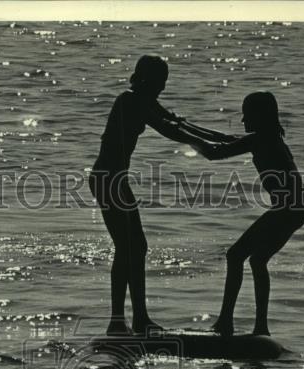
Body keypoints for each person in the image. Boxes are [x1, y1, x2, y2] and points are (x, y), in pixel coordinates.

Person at [91, 55, 223, 336]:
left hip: (116, 179)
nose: (163, 87)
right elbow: (167, 129)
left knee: (135, 248)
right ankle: (119, 321)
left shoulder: (144, 99)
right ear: (146, 79)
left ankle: (138, 319)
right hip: (106, 179)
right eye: (160, 82)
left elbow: (178, 122)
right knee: (128, 248)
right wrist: (207, 147)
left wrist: (224, 139)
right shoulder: (129, 99)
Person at [196, 91, 304, 337]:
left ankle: (226, 322)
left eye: (247, 115)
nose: (243, 120)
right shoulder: (266, 137)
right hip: (298, 209)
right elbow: (226, 139)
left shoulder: (261, 139)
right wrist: (188, 127)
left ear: (260, 116)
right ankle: (261, 327)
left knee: (235, 255)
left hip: (287, 209)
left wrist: (183, 137)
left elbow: (217, 152)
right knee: (257, 260)